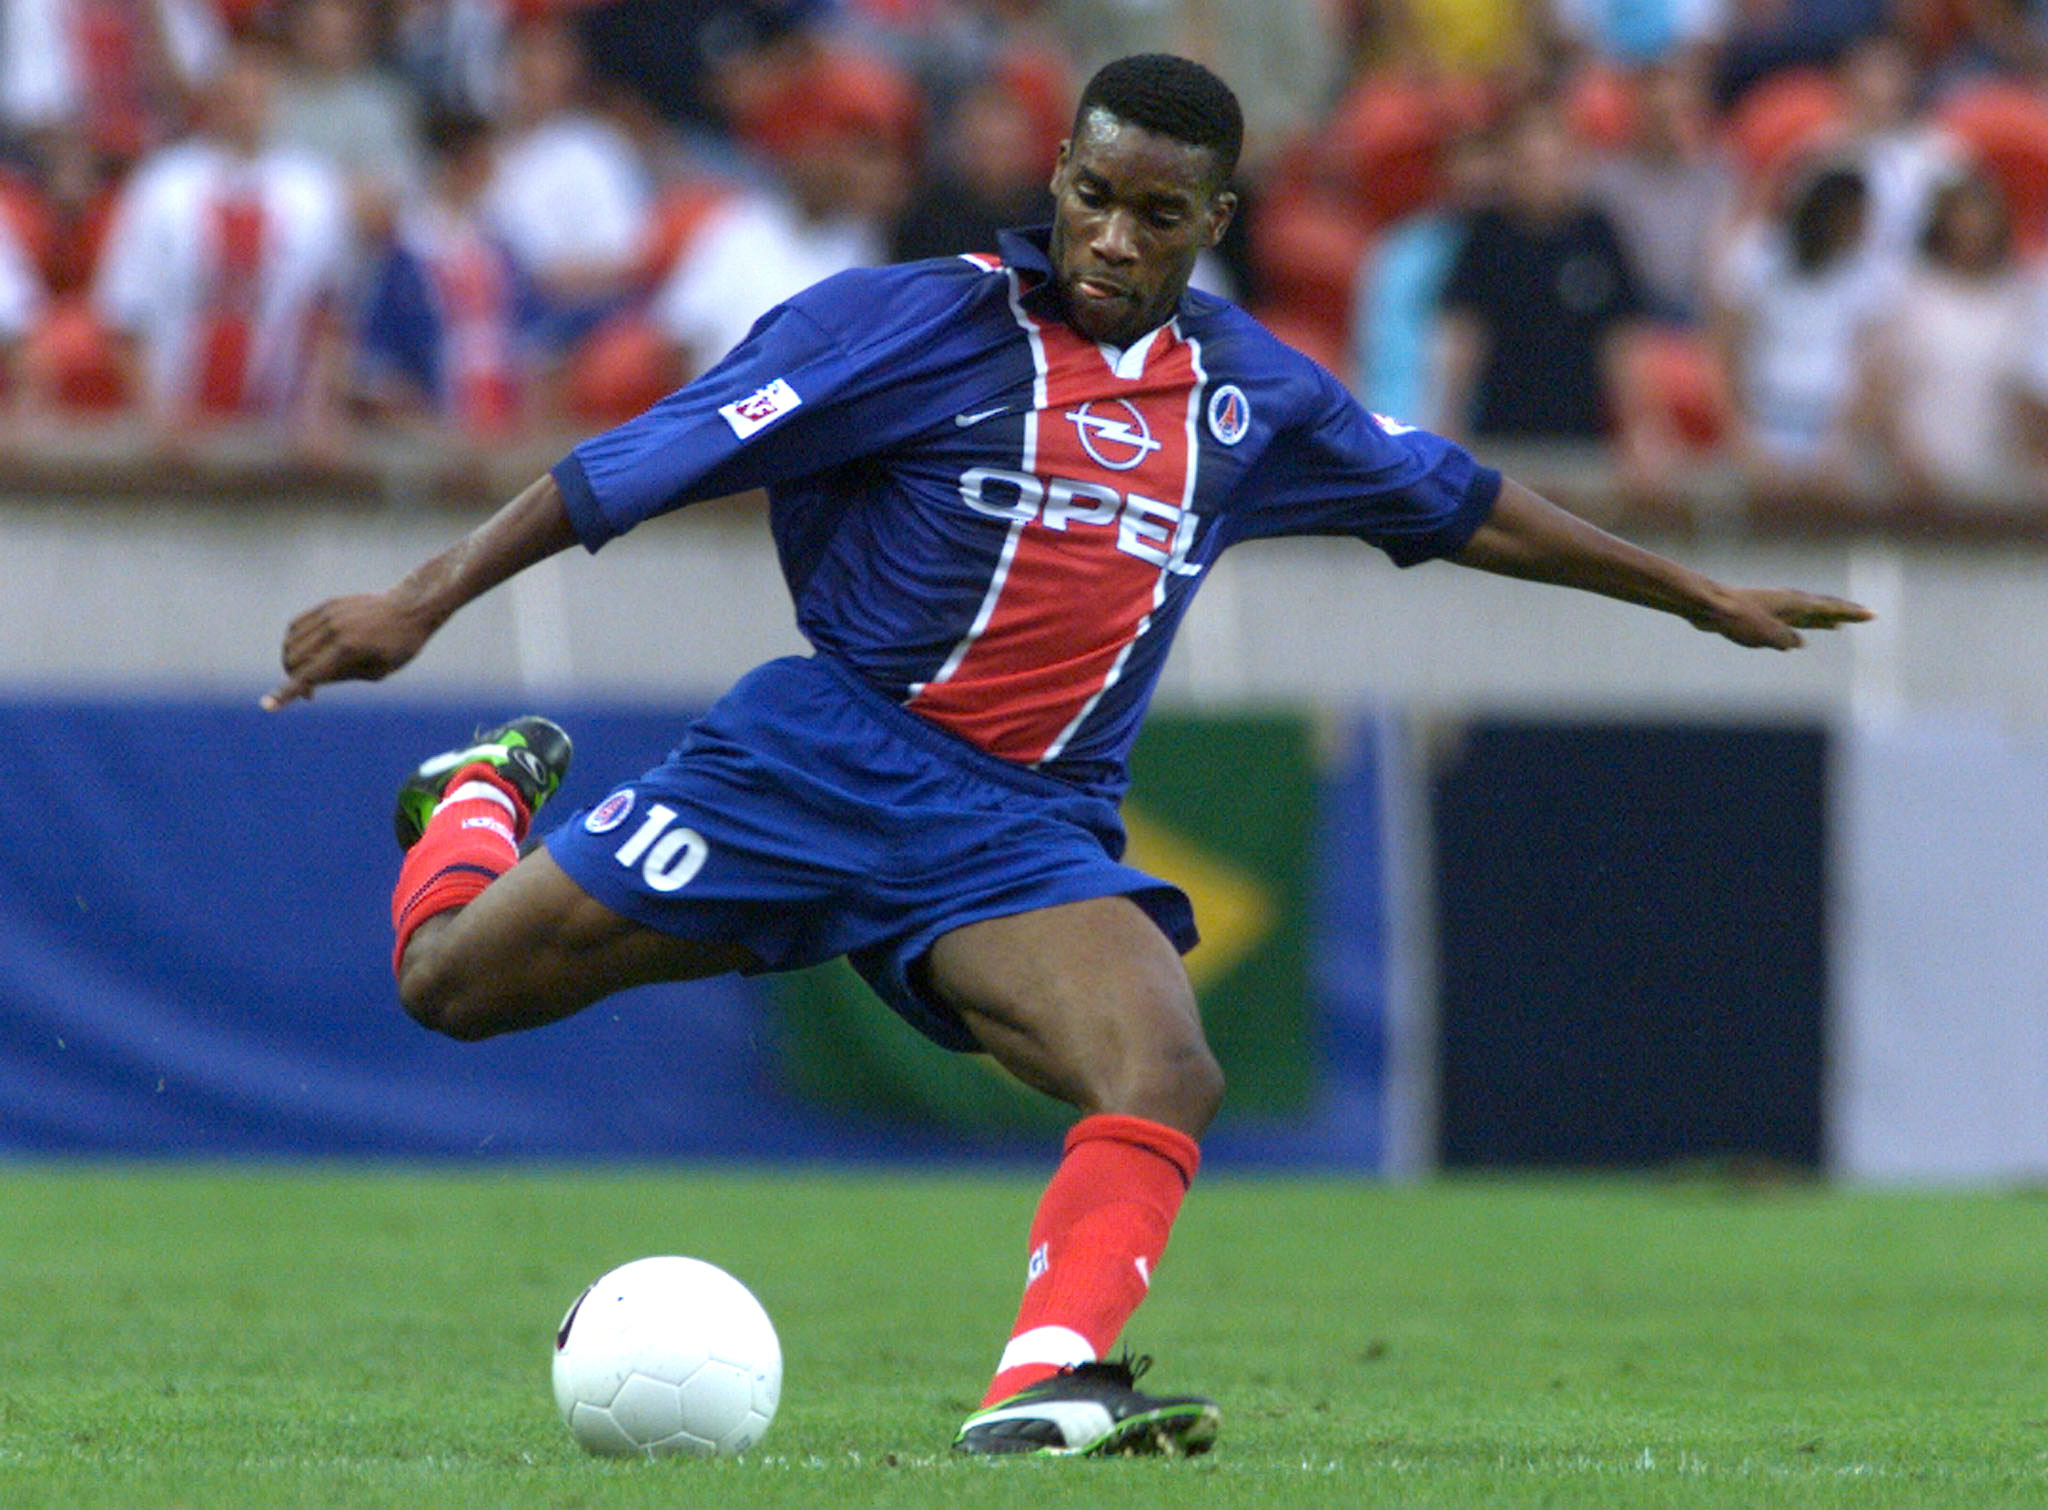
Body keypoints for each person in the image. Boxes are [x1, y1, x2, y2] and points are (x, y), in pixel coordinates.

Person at [262, 54, 1869, 1458]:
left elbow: (1460, 500)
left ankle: (1048, 1381)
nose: (1113, 237)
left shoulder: (1248, 396)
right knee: (452, 987)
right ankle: (474, 794)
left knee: (1164, 1066)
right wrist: (420, 597)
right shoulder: (910, 324)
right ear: (1060, 175)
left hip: (1018, 832)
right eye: (1095, 196)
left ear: (1215, 222)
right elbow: (640, 459)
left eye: (1157, 216)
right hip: (817, 762)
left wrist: (1693, 593)